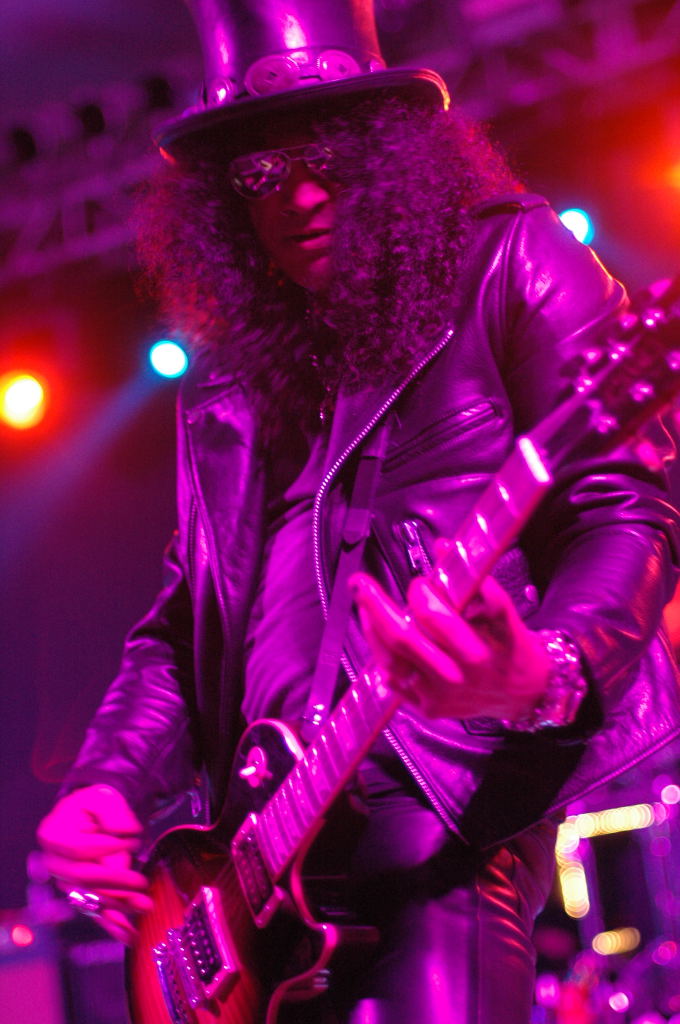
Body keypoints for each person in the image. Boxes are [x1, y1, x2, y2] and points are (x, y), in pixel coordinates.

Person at [36, 1, 680, 1021]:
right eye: (258, 173)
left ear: (391, 156)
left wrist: (547, 669)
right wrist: (105, 784)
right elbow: (182, 626)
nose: (299, 193)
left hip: (440, 808)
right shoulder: (225, 386)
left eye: (329, 156)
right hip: (256, 865)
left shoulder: (511, 260)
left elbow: (623, 508)